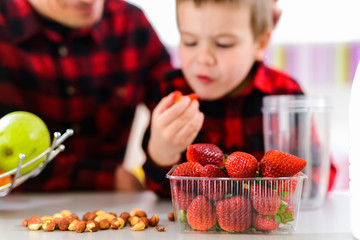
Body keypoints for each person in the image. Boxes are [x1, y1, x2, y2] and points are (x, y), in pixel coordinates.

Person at [142, 0, 336, 197]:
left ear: (260, 43)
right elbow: (159, 190)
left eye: (223, 44)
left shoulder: (284, 93)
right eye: (189, 41)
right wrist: (162, 151)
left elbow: (318, 179)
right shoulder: (170, 90)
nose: (203, 58)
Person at [0, 0, 173, 192]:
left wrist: (164, 155)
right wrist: (113, 179)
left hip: (114, 210)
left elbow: (181, 111)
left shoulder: (130, 22)